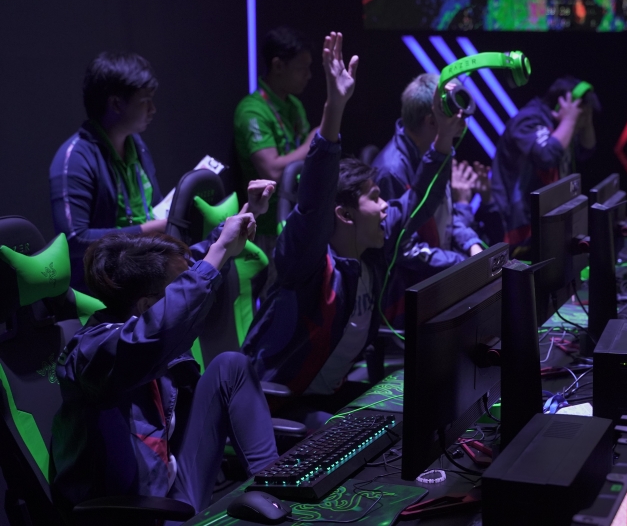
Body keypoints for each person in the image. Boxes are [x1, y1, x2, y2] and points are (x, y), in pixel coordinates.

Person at [241, 32, 465, 428]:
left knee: (420, 412)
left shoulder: (373, 250)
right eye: (376, 198)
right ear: (344, 215)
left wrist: (444, 137)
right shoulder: (306, 264)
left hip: (327, 394)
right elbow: (314, 200)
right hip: (276, 403)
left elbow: (417, 202)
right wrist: (335, 107)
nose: (386, 206)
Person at [50, 181, 280, 517]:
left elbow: (191, 267)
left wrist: (245, 217)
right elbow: (162, 325)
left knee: (231, 366)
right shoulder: (95, 351)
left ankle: (279, 489)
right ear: (146, 306)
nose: (188, 290)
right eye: (178, 290)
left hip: (174, 490)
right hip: (138, 513)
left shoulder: (146, 302)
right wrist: (217, 254)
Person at [372, 73, 491, 327]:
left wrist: (471, 244)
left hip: (434, 284)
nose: (464, 122)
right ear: (432, 121)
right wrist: (462, 263)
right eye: (456, 115)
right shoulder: (391, 171)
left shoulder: (436, 152)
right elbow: (403, 249)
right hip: (406, 302)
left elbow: (445, 215)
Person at [50, 52, 168, 292]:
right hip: (102, 292)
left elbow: (154, 209)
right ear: (115, 104)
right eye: (145, 101)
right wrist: (147, 231)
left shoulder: (136, 145)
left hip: (144, 277)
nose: (153, 109)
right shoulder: (75, 157)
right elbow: (74, 240)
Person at [233, 26, 316, 265]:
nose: (309, 75)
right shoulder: (252, 111)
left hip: (297, 220)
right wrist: (313, 142)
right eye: (302, 68)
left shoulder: (295, 105)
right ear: (278, 66)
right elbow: (272, 172)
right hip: (265, 231)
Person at [491, 76, 599, 257]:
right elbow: (546, 155)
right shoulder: (528, 120)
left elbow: (587, 150)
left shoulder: (563, 124)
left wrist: (585, 120)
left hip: (545, 220)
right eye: (581, 111)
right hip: (518, 227)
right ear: (562, 104)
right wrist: (569, 120)